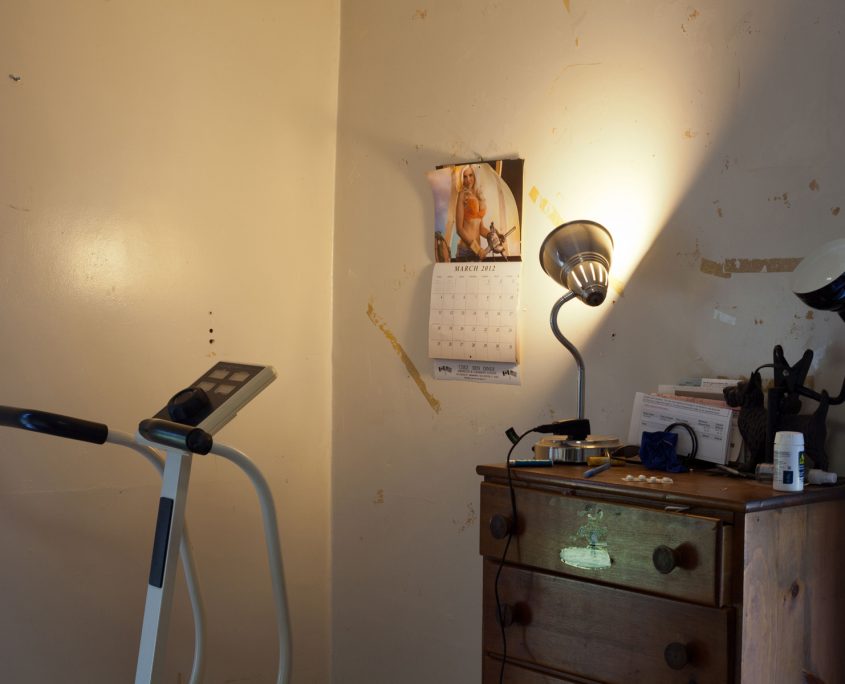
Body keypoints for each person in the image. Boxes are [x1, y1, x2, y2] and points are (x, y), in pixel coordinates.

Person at [454, 165, 504, 261]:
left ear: (475, 175)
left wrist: (493, 236)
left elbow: (480, 229)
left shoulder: (478, 194)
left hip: (478, 251)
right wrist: (477, 249)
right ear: (461, 179)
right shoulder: (462, 195)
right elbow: (459, 229)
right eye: (465, 177)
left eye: (470, 175)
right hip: (466, 251)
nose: (468, 179)